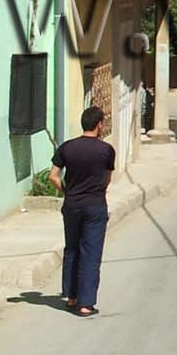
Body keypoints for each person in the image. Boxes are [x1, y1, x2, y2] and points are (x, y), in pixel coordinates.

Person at [49, 106, 114, 318]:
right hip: (95, 205)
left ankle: (71, 297)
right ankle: (86, 304)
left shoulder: (67, 148)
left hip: (72, 205)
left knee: (72, 249)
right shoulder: (106, 150)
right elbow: (107, 179)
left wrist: (67, 192)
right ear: (99, 125)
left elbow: (53, 176)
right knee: (91, 253)